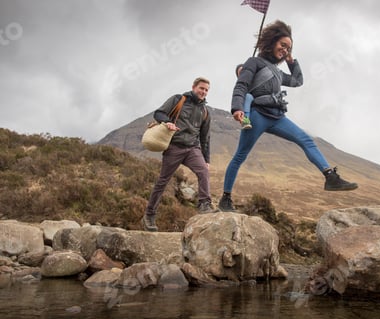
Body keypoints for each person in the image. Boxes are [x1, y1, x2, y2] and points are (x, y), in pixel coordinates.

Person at [218, 20, 358, 212]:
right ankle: (226, 198)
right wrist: (237, 108)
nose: (285, 50)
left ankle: (330, 177)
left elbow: (297, 81)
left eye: (289, 48)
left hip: (277, 117)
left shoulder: (278, 71)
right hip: (258, 115)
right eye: (282, 45)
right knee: (240, 156)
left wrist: (292, 62)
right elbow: (241, 86)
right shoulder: (254, 62)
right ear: (272, 42)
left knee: (306, 140)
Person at [142, 77, 214, 232]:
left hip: (192, 148)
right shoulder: (179, 99)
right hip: (174, 146)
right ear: (194, 87)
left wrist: (206, 159)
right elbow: (159, 113)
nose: (204, 92)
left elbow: (205, 138)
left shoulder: (205, 112)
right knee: (163, 181)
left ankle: (204, 204)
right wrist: (167, 121)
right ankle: (149, 215)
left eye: (207, 90)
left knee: (203, 171)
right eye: (201, 88)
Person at [235, 64, 254, 130]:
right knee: (247, 96)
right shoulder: (240, 88)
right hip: (249, 105)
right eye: (240, 73)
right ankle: (245, 121)